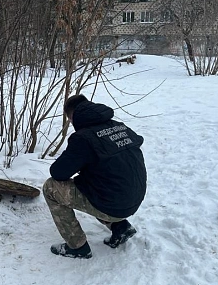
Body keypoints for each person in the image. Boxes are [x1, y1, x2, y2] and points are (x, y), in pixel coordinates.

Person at [43, 94, 147, 258]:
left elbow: (57, 172)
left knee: (51, 188)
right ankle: (121, 228)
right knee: (99, 182)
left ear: (72, 116)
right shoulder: (119, 127)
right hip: (134, 198)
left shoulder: (83, 138)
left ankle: (77, 247)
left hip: (113, 204)